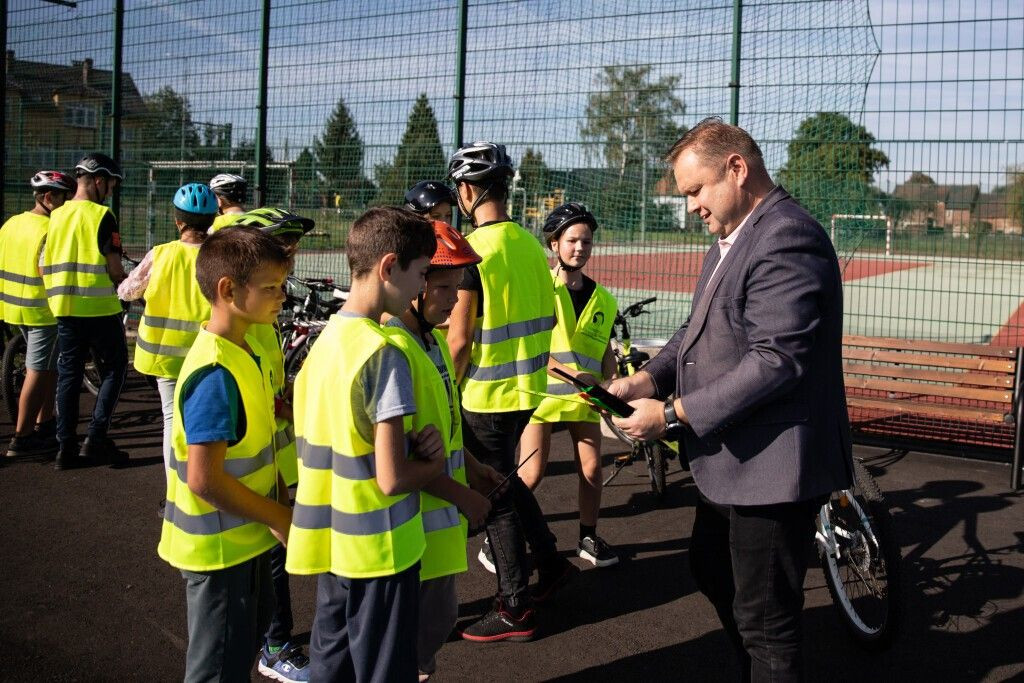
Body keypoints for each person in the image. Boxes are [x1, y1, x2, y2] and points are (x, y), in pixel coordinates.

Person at [609, 117, 853, 682]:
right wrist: (646, 381)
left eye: (696, 190)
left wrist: (671, 414)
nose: (691, 205)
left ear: (737, 169)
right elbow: (695, 331)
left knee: (767, 624)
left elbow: (776, 362)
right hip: (733, 460)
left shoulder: (786, 236)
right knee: (711, 565)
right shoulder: (731, 236)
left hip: (772, 469)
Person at [285, 206, 446, 682]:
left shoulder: (324, 342)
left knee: (331, 666)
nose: (422, 287)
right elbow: (392, 478)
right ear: (389, 266)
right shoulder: (384, 352)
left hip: (335, 545)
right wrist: (431, 463)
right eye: (421, 274)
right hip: (381, 550)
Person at [445, 141, 575, 643]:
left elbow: (459, 340)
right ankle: (551, 563)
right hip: (527, 390)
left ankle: (515, 605)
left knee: (494, 496)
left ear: (467, 191)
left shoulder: (471, 252)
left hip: (484, 395)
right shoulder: (528, 245)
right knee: (509, 484)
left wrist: (445, 390)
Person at [157, 226, 294, 683]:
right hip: (219, 554)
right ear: (228, 290)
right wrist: (280, 516)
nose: (282, 296)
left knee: (236, 657)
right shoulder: (216, 373)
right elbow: (204, 479)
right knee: (216, 671)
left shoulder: (245, 350)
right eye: (271, 287)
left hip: (244, 543)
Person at [383, 219, 505, 679]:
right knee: (408, 637)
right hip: (412, 531)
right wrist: (464, 497)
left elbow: (444, 433)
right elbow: (403, 457)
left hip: (437, 528)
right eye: (444, 288)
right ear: (415, 284)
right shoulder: (396, 349)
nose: (455, 300)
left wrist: (472, 467)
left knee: (431, 627)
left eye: (457, 287)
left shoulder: (432, 341)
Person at [225, 206, 316, 683]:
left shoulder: (263, 319)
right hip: (252, 471)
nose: (291, 255)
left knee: (270, 562)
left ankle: (269, 639)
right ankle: (275, 644)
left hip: (273, 465)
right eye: (281, 246)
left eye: (293, 246)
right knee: (269, 562)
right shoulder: (245, 325)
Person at [520, 202, 619, 568]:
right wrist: (574, 375)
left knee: (592, 471)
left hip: (584, 400)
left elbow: (604, 351)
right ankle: (499, 537)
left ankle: (588, 537)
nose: (580, 248)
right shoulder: (539, 289)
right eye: (572, 240)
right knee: (531, 474)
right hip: (541, 396)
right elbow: (533, 350)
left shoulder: (603, 299)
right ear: (554, 244)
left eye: (586, 242)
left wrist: (613, 384)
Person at [118, 183, 216, 475]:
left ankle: (174, 485)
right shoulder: (218, 256)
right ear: (212, 220)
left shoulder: (160, 254)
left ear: (178, 221)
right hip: (208, 354)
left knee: (171, 418)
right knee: (206, 420)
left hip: (165, 357)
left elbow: (128, 291)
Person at [42, 152, 130, 470]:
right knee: (116, 368)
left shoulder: (57, 215)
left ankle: (65, 448)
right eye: (111, 185)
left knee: (69, 373)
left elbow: (43, 262)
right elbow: (115, 269)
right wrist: (130, 286)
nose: (110, 191)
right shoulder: (102, 216)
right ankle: (95, 438)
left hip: (65, 309)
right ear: (98, 180)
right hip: (100, 309)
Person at [0, 171, 76, 457]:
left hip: (13, 307)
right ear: (48, 197)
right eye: (64, 198)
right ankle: (22, 437)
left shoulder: (12, 223)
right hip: (42, 310)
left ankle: (45, 424)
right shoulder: (49, 229)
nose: (67, 204)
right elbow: (47, 272)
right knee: (38, 370)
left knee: (48, 366)